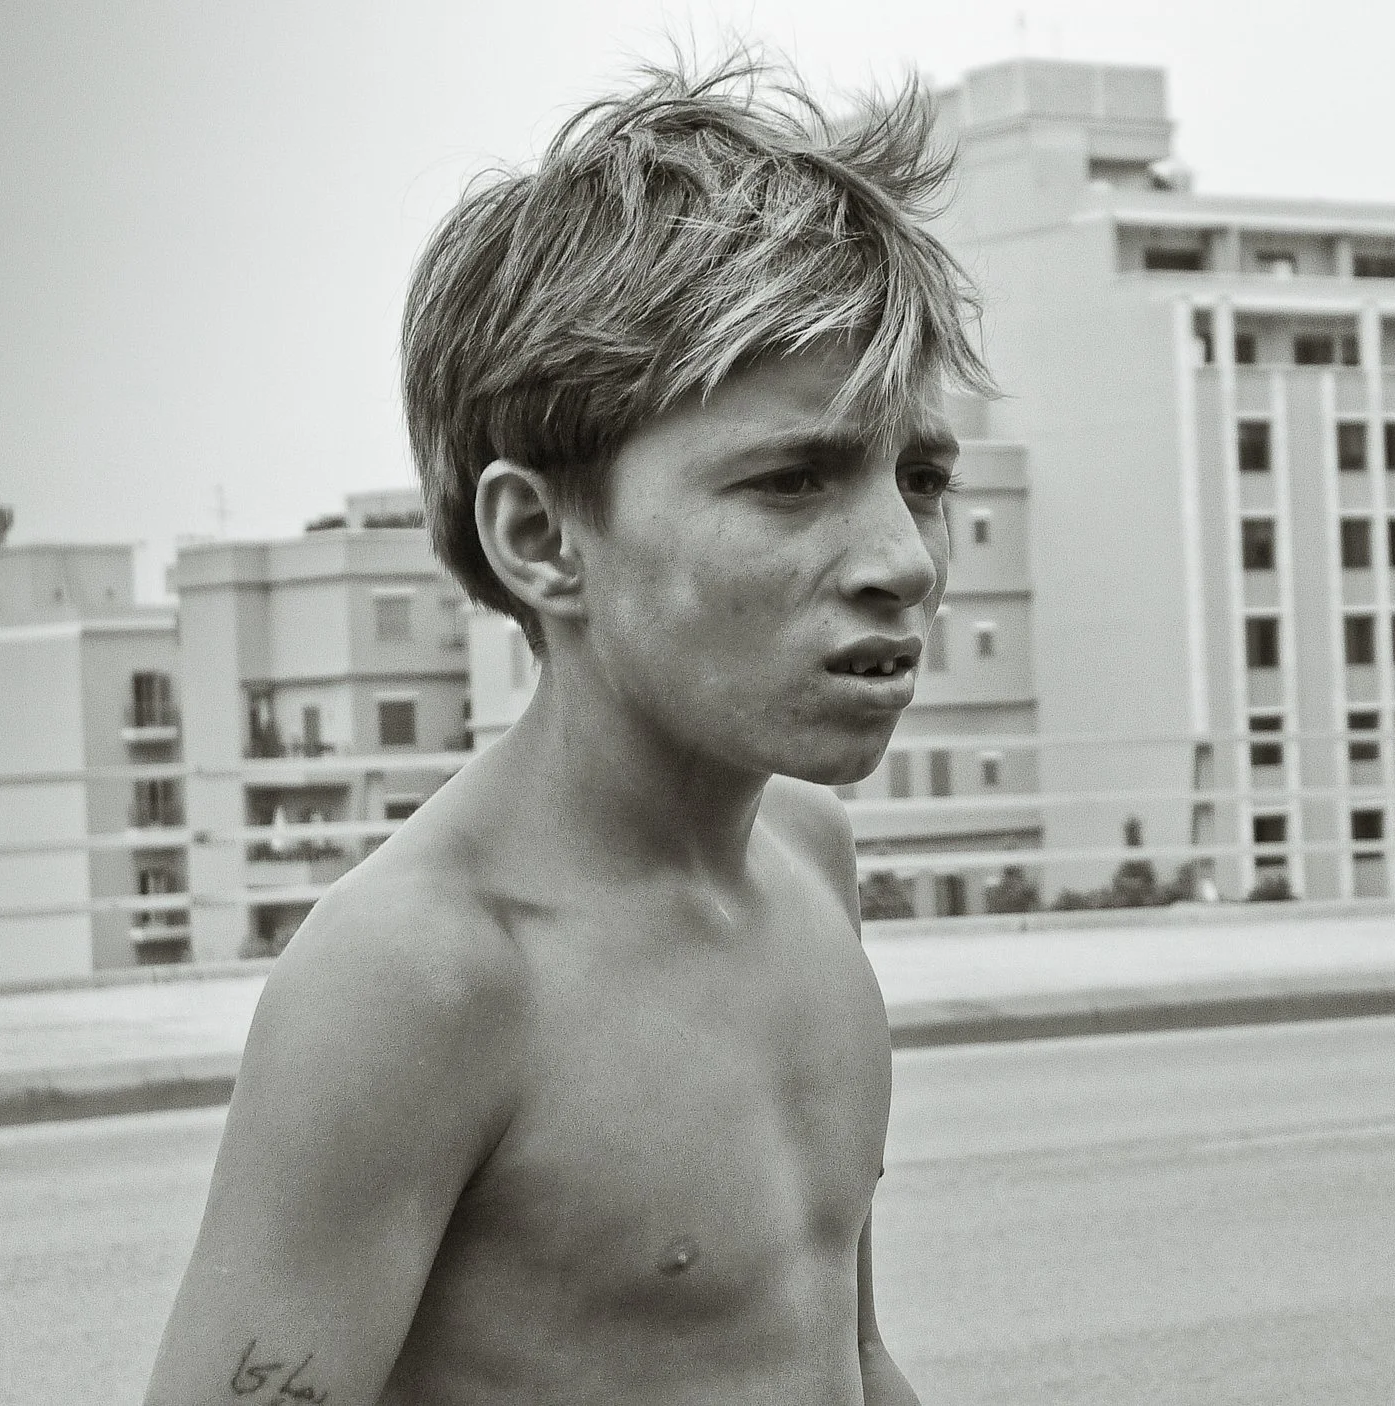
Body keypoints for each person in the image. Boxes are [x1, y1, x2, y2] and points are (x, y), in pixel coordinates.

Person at [144, 52, 992, 1406]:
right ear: (541, 538)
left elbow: (847, 1353)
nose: (904, 555)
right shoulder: (424, 977)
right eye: (793, 479)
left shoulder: (808, 859)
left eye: (923, 476)